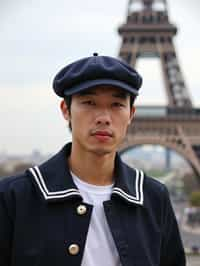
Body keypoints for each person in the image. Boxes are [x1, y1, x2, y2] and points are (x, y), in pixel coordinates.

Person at [0, 53, 186, 266]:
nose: (104, 118)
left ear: (131, 114)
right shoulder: (12, 199)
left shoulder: (155, 198)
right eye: (89, 102)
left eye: (116, 104)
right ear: (65, 110)